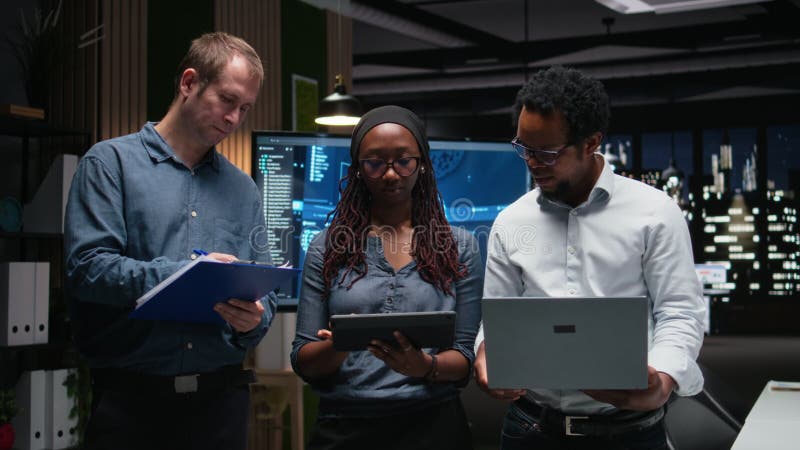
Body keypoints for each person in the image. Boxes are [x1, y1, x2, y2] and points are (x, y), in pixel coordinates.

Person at [473, 66, 706, 450]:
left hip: (629, 432)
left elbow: (680, 311)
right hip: (530, 430)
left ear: (591, 142)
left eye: (546, 152)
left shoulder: (655, 212)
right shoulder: (511, 220)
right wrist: (486, 353)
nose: (531, 162)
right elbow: (497, 315)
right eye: (523, 148)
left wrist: (662, 379)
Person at [64, 32, 275, 450]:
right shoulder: (110, 165)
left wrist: (255, 320)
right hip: (130, 405)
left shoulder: (244, 189)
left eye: (245, 109)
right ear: (189, 82)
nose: (234, 118)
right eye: (228, 100)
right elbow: (86, 270)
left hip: (221, 404)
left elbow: (263, 298)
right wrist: (186, 276)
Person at [291, 105, 483, 450]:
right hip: (346, 426)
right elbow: (303, 360)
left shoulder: (459, 247)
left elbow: (464, 359)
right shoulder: (327, 248)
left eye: (404, 161)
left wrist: (425, 365)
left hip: (433, 425)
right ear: (358, 170)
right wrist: (337, 344)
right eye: (375, 162)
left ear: (422, 164)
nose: (391, 174)